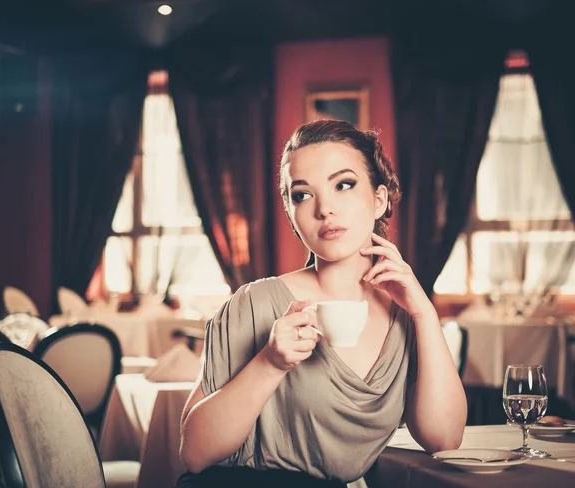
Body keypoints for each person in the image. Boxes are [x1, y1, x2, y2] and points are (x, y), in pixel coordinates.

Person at [177, 119, 467, 487]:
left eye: (343, 185)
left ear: (379, 200)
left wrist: (424, 312)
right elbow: (195, 453)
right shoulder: (254, 303)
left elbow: (444, 439)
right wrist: (270, 363)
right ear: (292, 216)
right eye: (302, 194)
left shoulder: (407, 319)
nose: (324, 209)